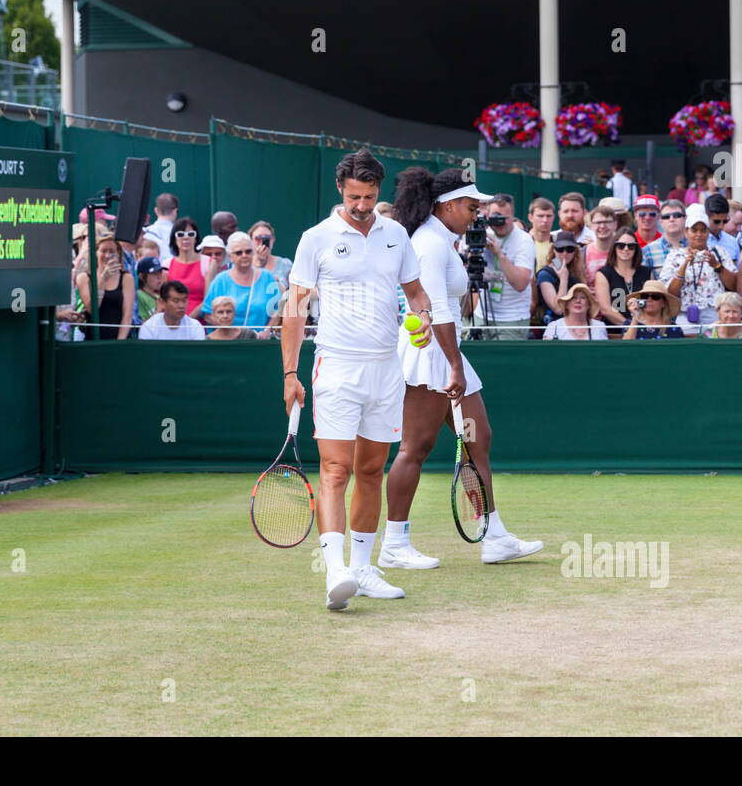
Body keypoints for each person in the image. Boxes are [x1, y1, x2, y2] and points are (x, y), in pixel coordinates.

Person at [281, 148, 439, 610]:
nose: (362, 205)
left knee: (371, 470)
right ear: (340, 190)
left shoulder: (395, 234)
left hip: (387, 368)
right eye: (354, 197)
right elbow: (295, 308)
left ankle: (365, 569)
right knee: (336, 469)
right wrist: (290, 372)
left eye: (369, 197)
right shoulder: (316, 238)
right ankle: (336, 573)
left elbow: (415, 292)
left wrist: (424, 316)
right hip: (337, 366)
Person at [383, 167, 544, 570]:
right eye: (472, 207)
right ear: (448, 205)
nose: (477, 214)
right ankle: (393, 543)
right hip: (430, 356)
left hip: (448, 354)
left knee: (477, 440)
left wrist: (455, 362)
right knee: (414, 448)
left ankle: (494, 536)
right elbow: (435, 310)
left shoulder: (442, 241)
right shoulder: (428, 245)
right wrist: (454, 365)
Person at [659, 204, 737, 334]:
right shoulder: (675, 255)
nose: (699, 234)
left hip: (714, 312)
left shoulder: (719, 252)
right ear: (686, 232)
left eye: (703, 230)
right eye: (694, 230)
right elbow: (669, 293)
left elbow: (734, 285)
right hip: (685, 314)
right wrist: (684, 266)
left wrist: (717, 265)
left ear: (708, 232)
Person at [202, 231, 282, 338]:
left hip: (258, 341)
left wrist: (267, 330)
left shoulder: (267, 277)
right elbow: (207, 314)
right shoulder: (220, 280)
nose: (244, 255)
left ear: (253, 253)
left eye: (248, 251)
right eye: (239, 252)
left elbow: (276, 309)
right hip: (227, 343)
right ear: (230, 256)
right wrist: (229, 332)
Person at [480, 193, 537, 339]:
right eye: (496, 218)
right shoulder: (481, 234)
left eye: (505, 218)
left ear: (513, 216)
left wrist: (499, 253)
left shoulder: (524, 241)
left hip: (511, 319)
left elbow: (521, 284)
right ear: (487, 217)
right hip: (482, 315)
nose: (501, 223)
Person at [75, 233, 133, 340]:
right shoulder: (84, 278)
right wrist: (103, 279)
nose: (107, 255)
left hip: (119, 340)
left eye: (111, 251)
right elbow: (92, 309)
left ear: (118, 253)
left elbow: (127, 316)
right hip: (93, 340)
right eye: (103, 251)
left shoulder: (126, 278)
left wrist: (119, 343)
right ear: (96, 253)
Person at [595, 227, 651, 335]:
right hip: (614, 332)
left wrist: (641, 327)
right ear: (614, 247)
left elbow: (652, 303)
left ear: (636, 249)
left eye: (631, 246)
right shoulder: (603, 273)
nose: (626, 249)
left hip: (644, 330)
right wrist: (630, 326)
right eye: (621, 245)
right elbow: (606, 309)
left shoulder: (647, 273)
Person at [532, 230, 586, 329]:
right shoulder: (545, 274)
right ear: (553, 250)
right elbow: (558, 309)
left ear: (575, 251)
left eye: (570, 249)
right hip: (554, 328)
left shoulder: (576, 271)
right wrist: (563, 278)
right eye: (560, 249)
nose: (564, 253)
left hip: (577, 325)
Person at [165, 218, 210, 318]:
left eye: (191, 234)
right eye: (180, 234)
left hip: (199, 324)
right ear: (174, 239)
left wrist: (188, 322)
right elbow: (164, 299)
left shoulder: (209, 263)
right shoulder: (166, 264)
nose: (186, 238)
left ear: (196, 238)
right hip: (173, 323)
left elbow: (208, 300)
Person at [138, 281, 207, 340]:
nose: (181, 306)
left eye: (184, 300)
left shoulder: (195, 326)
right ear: (162, 302)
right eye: (176, 301)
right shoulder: (149, 327)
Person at [543, 284, 608, 340]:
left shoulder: (599, 327)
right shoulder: (554, 327)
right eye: (573, 298)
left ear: (589, 305)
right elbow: (548, 352)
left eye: (582, 298)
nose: (578, 301)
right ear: (566, 305)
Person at [642, 198, 688, 277]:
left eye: (677, 215)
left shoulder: (696, 247)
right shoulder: (648, 251)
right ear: (661, 222)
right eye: (666, 217)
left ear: (685, 218)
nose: (672, 219)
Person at [247, 220, 293, 294]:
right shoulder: (245, 263)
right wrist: (259, 262)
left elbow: (295, 290)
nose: (262, 242)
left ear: (273, 239)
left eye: (267, 238)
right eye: (258, 238)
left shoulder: (285, 264)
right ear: (251, 240)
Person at [582, 204, 618, 276]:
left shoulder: (624, 251)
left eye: (607, 222)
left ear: (615, 224)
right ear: (591, 226)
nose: (602, 226)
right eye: (598, 222)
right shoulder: (582, 253)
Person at [705, 194, 741, 262]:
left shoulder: (732, 242)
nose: (721, 226)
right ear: (706, 216)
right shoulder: (698, 241)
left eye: (725, 221)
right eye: (716, 222)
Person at [134, 256, 166, 323]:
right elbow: (139, 324)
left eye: (160, 272)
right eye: (154, 273)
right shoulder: (138, 295)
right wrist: (158, 311)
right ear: (141, 276)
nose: (159, 277)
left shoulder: (158, 297)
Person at [528, 196, 556, 269]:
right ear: (530, 218)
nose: (545, 220)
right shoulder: (522, 242)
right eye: (540, 216)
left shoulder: (558, 244)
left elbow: (559, 267)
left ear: (553, 217)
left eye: (549, 216)